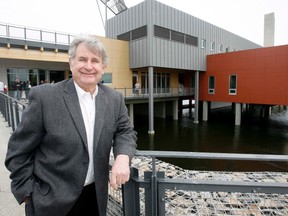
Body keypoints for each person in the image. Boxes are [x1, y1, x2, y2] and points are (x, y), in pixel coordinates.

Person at [5, 35, 138, 216]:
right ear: (71, 63)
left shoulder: (114, 99)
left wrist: (123, 157)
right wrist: (28, 193)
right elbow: (17, 152)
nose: (89, 66)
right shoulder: (45, 97)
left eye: (95, 61)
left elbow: (125, 130)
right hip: (50, 201)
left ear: (103, 67)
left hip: (95, 198)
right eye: (82, 59)